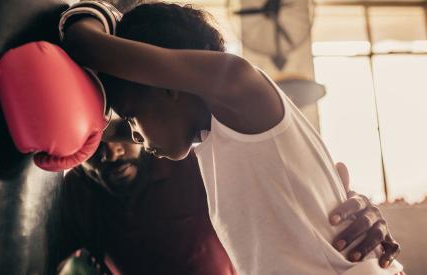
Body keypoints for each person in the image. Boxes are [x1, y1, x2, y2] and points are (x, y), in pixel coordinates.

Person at [60, 2, 404, 274]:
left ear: (166, 85)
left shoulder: (238, 85)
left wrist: (98, 12)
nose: (133, 134)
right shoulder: (218, 140)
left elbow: (84, 43)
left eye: (132, 116)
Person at [47, 119, 399, 275]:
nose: (112, 152)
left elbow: (293, 198)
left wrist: (350, 208)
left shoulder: (196, 163)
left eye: (120, 133)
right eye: (94, 143)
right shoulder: (78, 192)